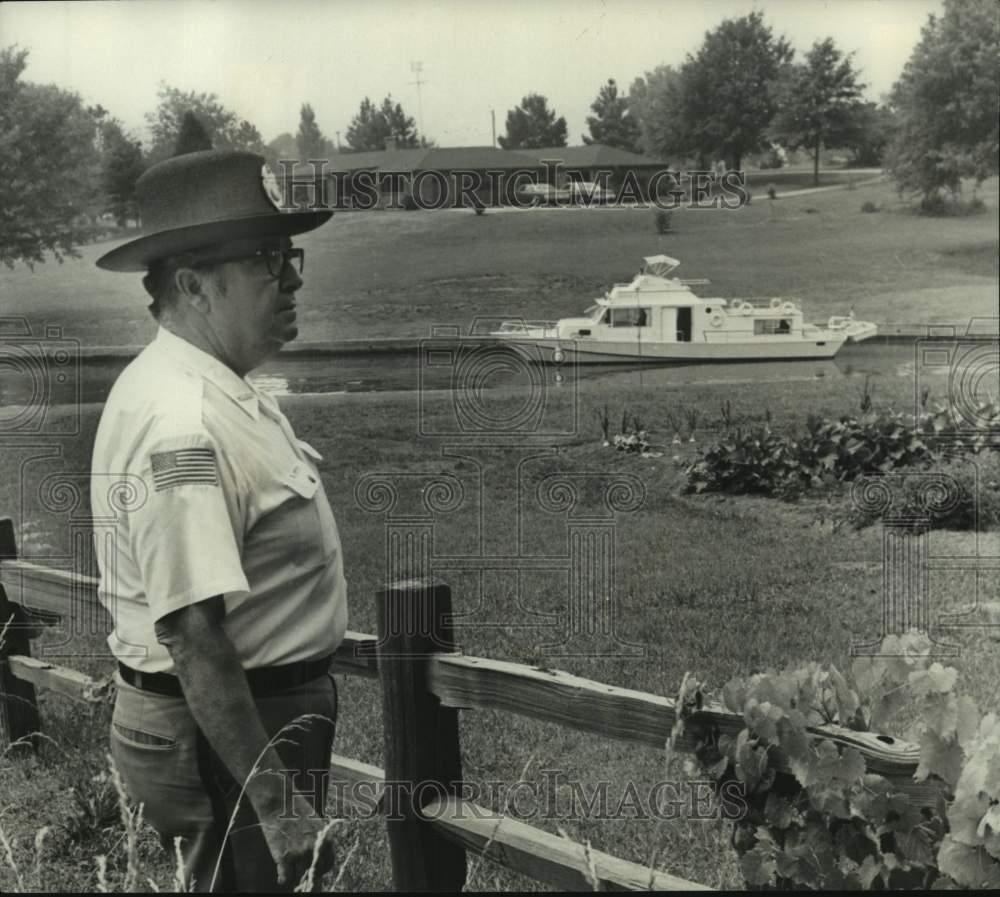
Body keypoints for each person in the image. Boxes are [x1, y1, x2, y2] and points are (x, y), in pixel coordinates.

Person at [90, 150, 347, 892]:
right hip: (229, 744)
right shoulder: (185, 420)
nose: (294, 277)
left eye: (288, 253)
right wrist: (276, 803)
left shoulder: (212, 386)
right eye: (268, 258)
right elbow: (191, 634)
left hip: (238, 734)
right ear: (195, 286)